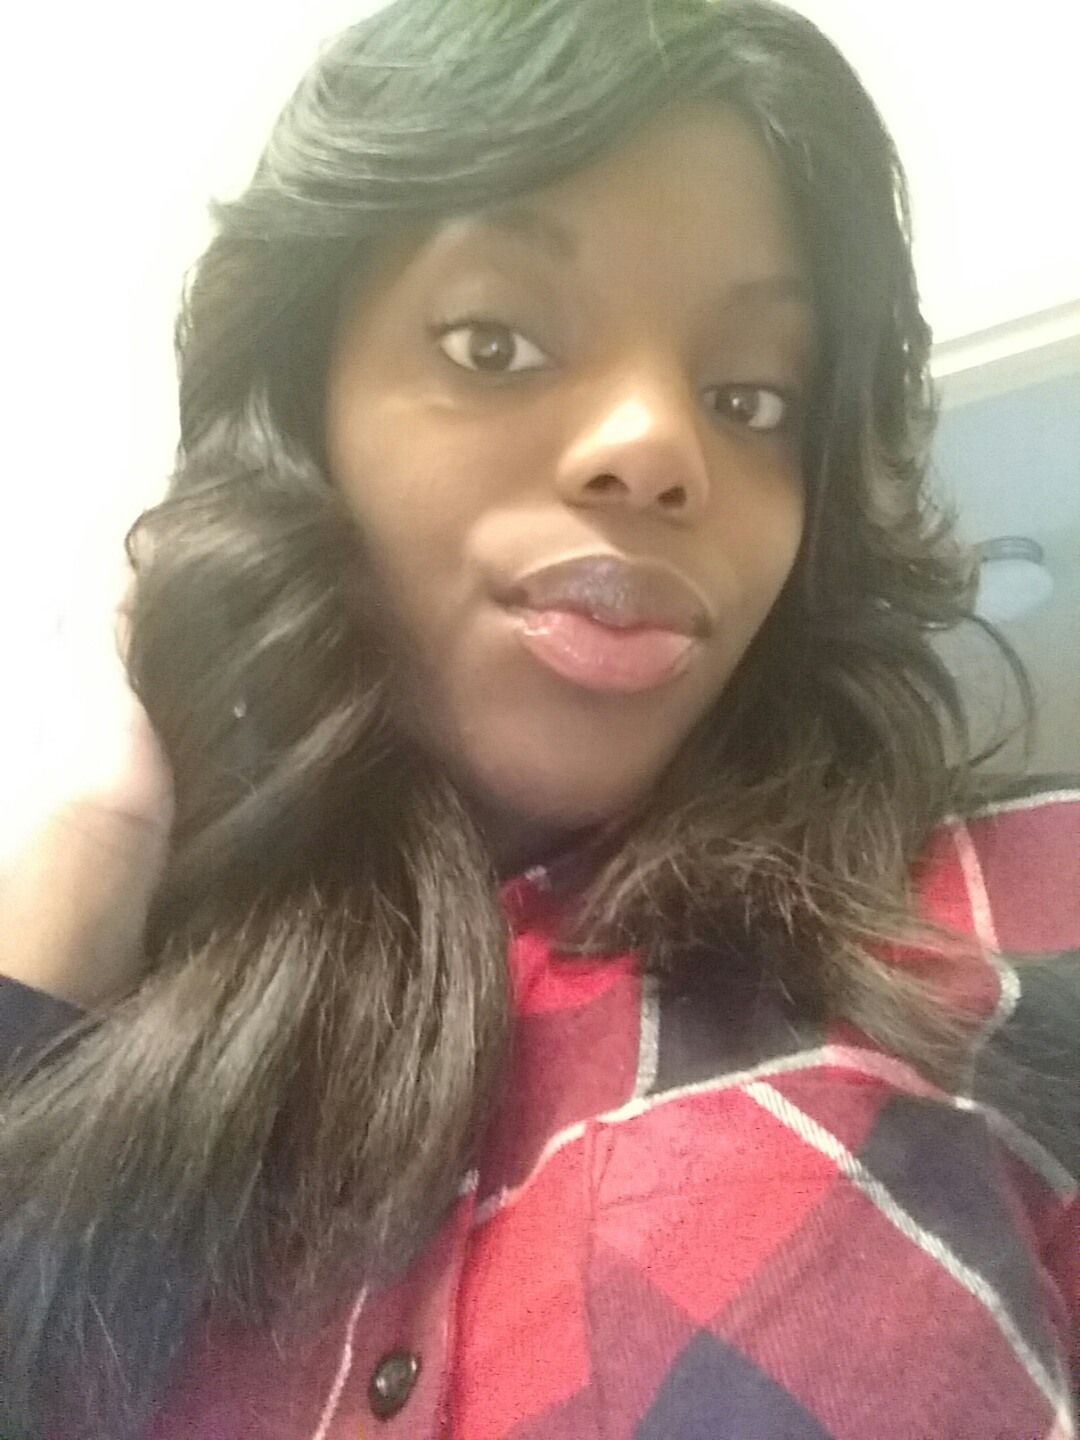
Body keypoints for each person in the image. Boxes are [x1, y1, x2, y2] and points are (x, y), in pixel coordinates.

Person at [0, 0, 1076, 1435]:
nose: (656, 446)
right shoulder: (139, 1031)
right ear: (304, 417)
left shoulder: (1019, 912)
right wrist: (84, 857)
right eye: (494, 343)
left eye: (750, 396)